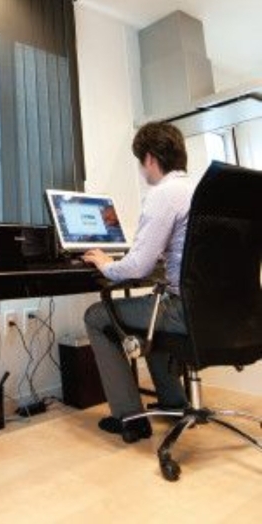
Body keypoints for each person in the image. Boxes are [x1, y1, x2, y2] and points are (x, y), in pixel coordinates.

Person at [82, 121, 195, 443]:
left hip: (185, 311)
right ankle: (175, 404)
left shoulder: (163, 194)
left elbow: (138, 266)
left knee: (96, 316)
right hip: (229, 313)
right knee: (153, 316)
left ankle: (130, 418)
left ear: (149, 159)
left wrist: (106, 263)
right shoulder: (205, 191)